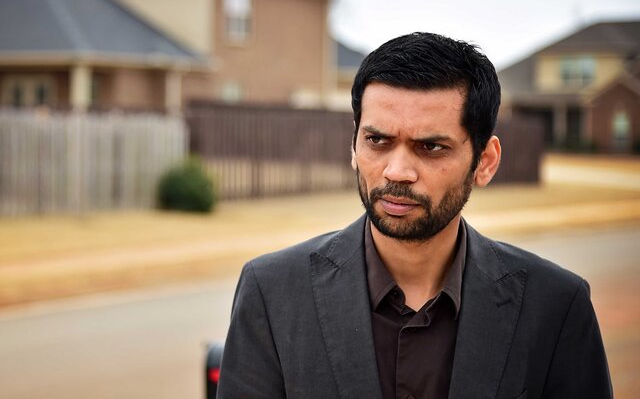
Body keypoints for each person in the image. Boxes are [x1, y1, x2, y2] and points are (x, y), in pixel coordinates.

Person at [216, 32, 612, 399]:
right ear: (353, 145)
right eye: (377, 141)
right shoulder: (272, 293)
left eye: (431, 147)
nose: (397, 171)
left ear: (485, 162)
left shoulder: (556, 306)